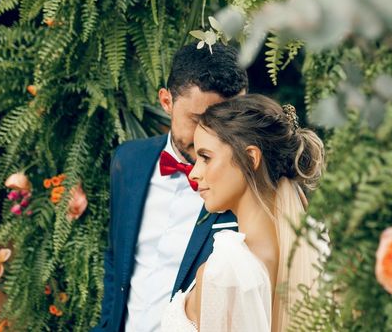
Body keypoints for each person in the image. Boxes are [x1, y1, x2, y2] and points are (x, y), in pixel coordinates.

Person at [94, 42, 249, 332]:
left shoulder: (246, 187)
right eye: (198, 119)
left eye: (227, 120)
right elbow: (116, 259)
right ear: (166, 102)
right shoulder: (128, 161)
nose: (212, 134)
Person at [160, 94, 326, 332]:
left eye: (206, 157)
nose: (194, 173)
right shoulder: (308, 249)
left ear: (250, 158)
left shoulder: (226, 270)